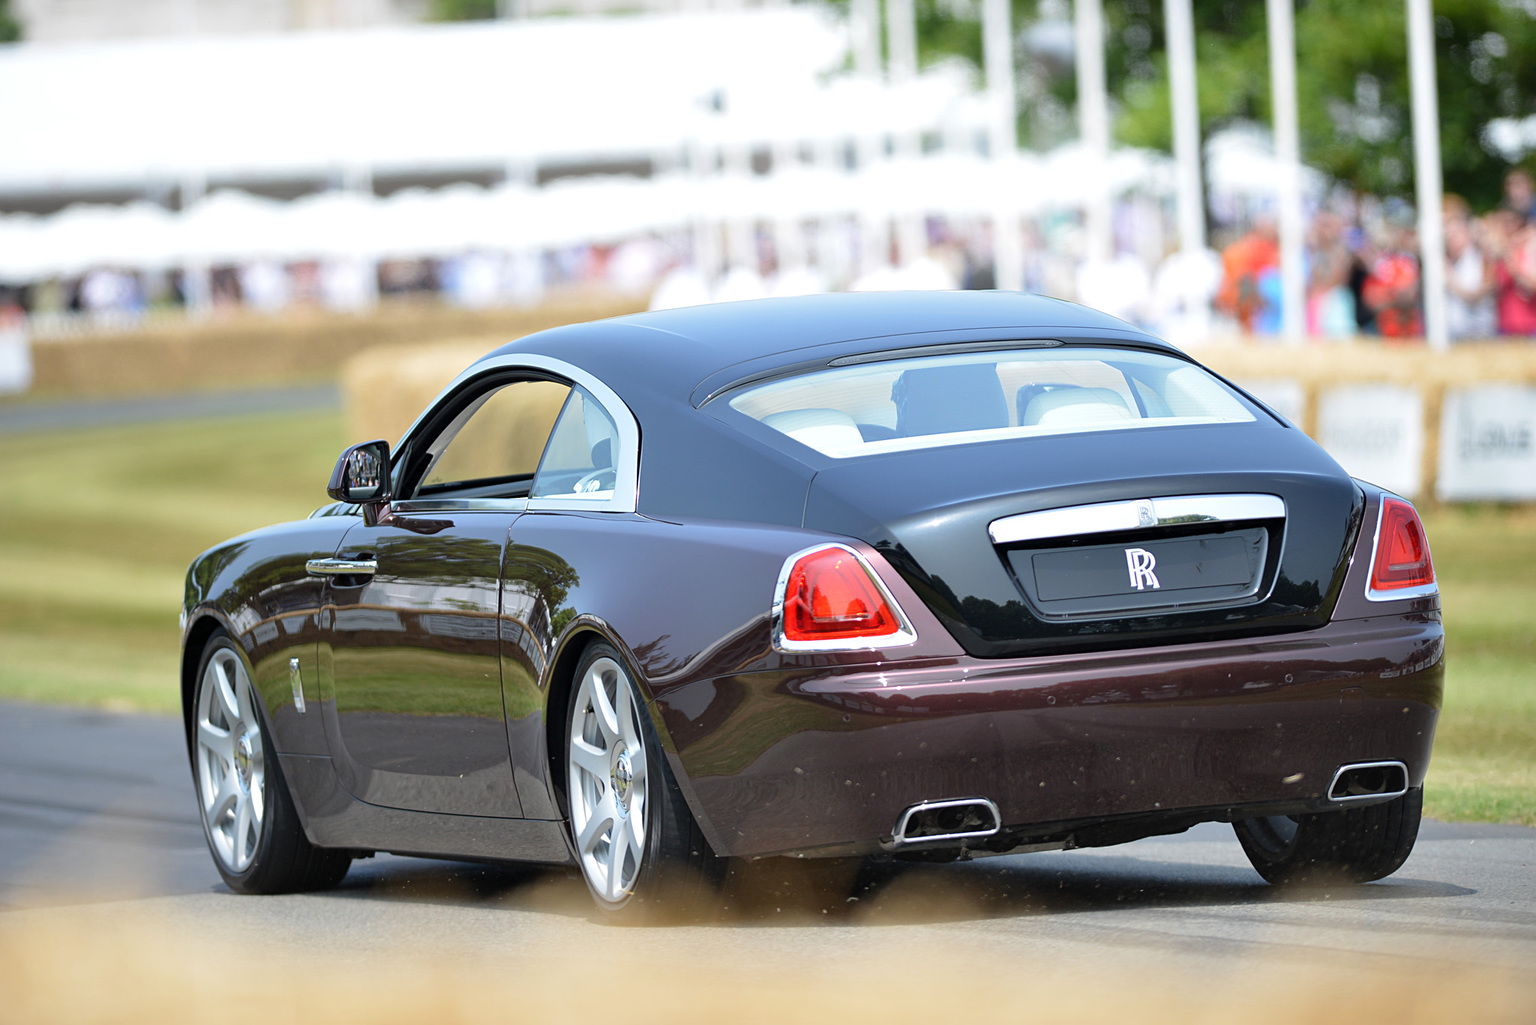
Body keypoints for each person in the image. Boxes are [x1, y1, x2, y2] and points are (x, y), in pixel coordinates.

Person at [1442, 196, 1496, 341]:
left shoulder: (1481, 256)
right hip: (1452, 332)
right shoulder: (1443, 259)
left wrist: (1451, 279)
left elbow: (1485, 288)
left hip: (1479, 331)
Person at [1216, 218, 1279, 334]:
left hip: (1248, 304)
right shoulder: (1245, 252)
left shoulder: (1236, 251)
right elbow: (1242, 281)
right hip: (1246, 304)